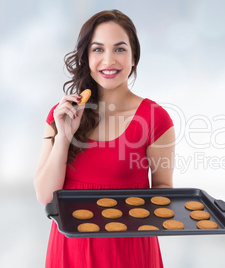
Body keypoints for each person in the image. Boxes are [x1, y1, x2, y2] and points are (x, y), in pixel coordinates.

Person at [34, 9, 175, 268]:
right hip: (70, 253)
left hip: (130, 253)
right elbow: (45, 196)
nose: (108, 60)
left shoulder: (156, 119)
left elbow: (163, 190)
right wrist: (65, 138)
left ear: (134, 58)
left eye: (120, 49)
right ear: (87, 57)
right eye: (98, 50)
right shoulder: (62, 114)